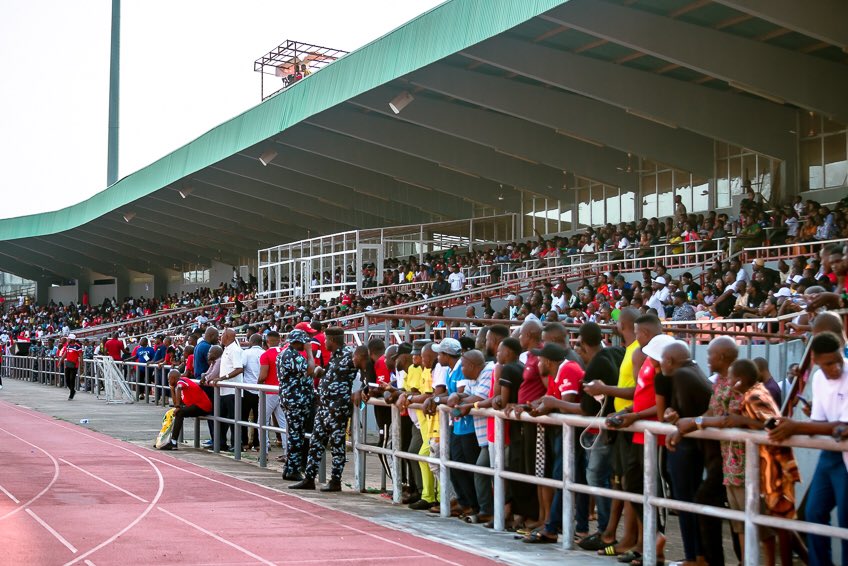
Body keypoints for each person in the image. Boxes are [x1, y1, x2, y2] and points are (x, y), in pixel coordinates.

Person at [769, 331, 848, 566]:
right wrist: (804, 422)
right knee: (814, 513)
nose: (835, 367)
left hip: (842, 455)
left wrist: (797, 426)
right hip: (830, 453)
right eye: (827, 363)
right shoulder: (819, 378)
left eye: (837, 361)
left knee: (845, 520)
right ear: (816, 361)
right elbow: (821, 424)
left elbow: (844, 427)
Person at [658, 341, 713, 566]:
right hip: (695, 447)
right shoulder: (694, 370)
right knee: (690, 501)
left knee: (685, 502)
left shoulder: (681, 375)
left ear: (670, 361)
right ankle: (697, 555)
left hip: (688, 448)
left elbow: (687, 417)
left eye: (662, 360)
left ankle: (693, 556)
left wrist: (677, 427)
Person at [291, 327, 361, 492]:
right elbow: (332, 375)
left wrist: (360, 390)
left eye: (327, 340)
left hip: (338, 408)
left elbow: (362, 372)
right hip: (324, 407)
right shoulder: (335, 356)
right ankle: (309, 478)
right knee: (315, 443)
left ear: (333, 340)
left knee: (337, 445)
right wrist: (321, 372)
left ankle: (335, 480)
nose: (325, 343)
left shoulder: (349, 356)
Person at [277, 329, 315, 481]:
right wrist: (310, 353)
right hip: (296, 400)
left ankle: (289, 468)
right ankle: (293, 469)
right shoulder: (293, 355)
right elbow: (310, 369)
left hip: (291, 398)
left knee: (294, 434)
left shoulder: (285, 354)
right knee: (296, 436)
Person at [209, 328, 244, 451]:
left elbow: (239, 368)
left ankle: (236, 444)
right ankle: (221, 443)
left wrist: (223, 378)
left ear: (228, 336)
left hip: (233, 391)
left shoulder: (235, 350)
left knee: (234, 419)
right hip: (224, 390)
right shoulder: (226, 349)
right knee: (221, 418)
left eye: (222, 335)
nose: (220, 337)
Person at [161, 369, 213, 450]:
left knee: (179, 412)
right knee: (178, 413)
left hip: (203, 406)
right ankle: (173, 441)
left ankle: (173, 442)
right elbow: (175, 402)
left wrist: (178, 407)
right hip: (196, 406)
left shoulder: (182, 381)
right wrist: (172, 388)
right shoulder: (179, 386)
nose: (168, 381)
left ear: (173, 378)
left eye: (169, 379)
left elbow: (179, 388)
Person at [258, 331, 286, 459]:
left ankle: (264, 451)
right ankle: (287, 451)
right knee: (283, 422)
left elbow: (263, 375)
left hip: (269, 391)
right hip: (282, 390)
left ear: (267, 342)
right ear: (279, 340)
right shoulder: (285, 352)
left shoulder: (266, 354)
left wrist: (258, 384)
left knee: (262, 422)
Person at [241, 334, 264, 450]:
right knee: (258, 418)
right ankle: (257, 443)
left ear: (251, 342)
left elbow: (241, 367)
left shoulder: (246, 353)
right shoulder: (264, 353)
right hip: (261, 389)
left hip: (248, 388)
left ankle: (245, 442)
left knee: (244, 416)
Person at [60, 334, 83, 400]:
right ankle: (72, 390)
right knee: (67, 379)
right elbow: (65, 354)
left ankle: (71, 394)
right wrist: (60, 361)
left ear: (72, 339)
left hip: (74, 365)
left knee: (72, 379)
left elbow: (81, 356)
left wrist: (81, 365)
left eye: (69, 339)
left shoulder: (77, 347)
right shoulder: (68, 346)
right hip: (68, 364)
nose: (68, 340)